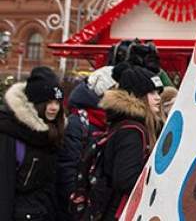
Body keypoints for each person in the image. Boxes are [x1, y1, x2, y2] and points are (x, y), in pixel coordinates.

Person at [95, 63, 164, 220]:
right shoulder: (132, 131)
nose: (158, 97)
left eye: (158, 92)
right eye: (152, 92)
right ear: (137, 95)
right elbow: (126, 180)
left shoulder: (128, 124)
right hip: (123, 211)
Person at [0, 66, 66, 220]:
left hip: (42, 212)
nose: (54, 108)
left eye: (57, 102)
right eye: (48, 102)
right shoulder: (10, 133)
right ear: (34, 103)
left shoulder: (54, 132)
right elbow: (4, 188)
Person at [57, 66, 116, 221]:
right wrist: (77, 205)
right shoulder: (78, 122)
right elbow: (67, 165)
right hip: (77, 207)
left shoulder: (110, 121)